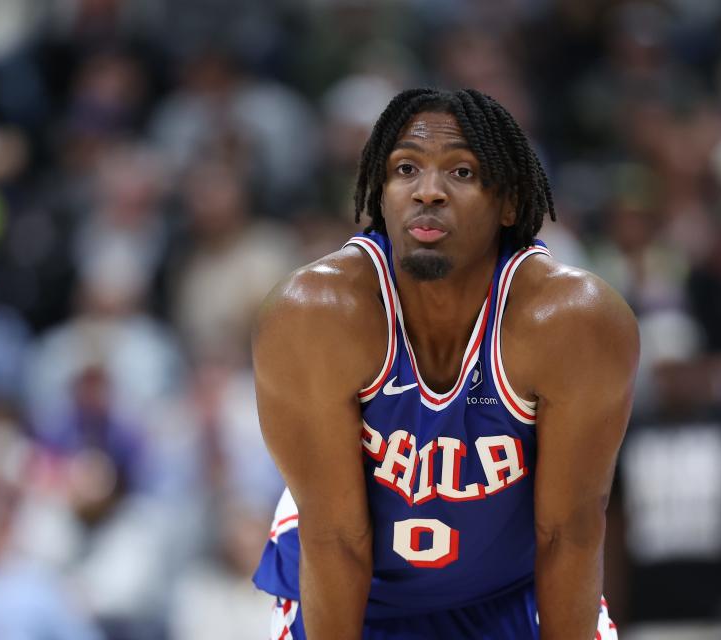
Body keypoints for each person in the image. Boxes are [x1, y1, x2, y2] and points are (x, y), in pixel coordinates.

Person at [251, 88, 639, 639]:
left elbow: (567, 535)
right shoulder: (315, 315)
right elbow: (336, 540)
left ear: (508, 203)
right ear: (380, 193)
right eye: (406, 168)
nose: (427, 192)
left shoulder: (572, 322)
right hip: (355, 601)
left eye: (461, 172)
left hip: (516, 592)